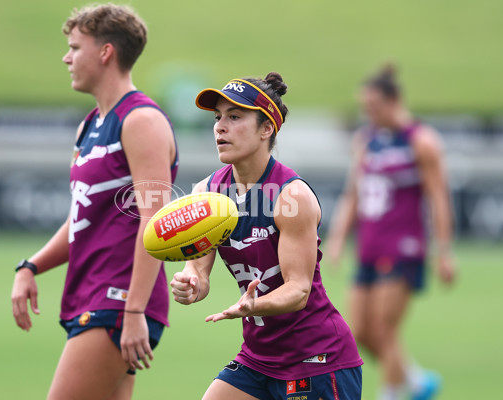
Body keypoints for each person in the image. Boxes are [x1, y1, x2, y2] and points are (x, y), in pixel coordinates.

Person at [10, 4, 178, 400]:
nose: (66, 58)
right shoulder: (91, 124)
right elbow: (82, 217)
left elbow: (156, 222)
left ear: (105, 52)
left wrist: (134, 311)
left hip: (118, 302)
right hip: (92, 295)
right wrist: (31, 266)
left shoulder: (141, 122)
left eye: (75, 47)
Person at [170, 72, 363, 400]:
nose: (220, 126)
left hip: (317, 359)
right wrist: (190, 282)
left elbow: (298, 290)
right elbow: (199, 272)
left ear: (266, 129)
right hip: (258, 357)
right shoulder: (207, 193)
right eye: (218, 117)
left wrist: (252, 305)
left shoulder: (291, 197)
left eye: (234, 117)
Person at [326, 64, 456, 400]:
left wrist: (445, 252)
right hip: (369, 246)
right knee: (360, 332)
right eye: (365, 107)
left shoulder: (421, 141)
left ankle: (393, 393)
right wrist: (338, 238)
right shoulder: (366, 140)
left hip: (404, 247)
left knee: (386, 329)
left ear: (394, 101)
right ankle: (416, 381)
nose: (369, 113)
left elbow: (439, 199)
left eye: (375, 106)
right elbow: (353, 193)